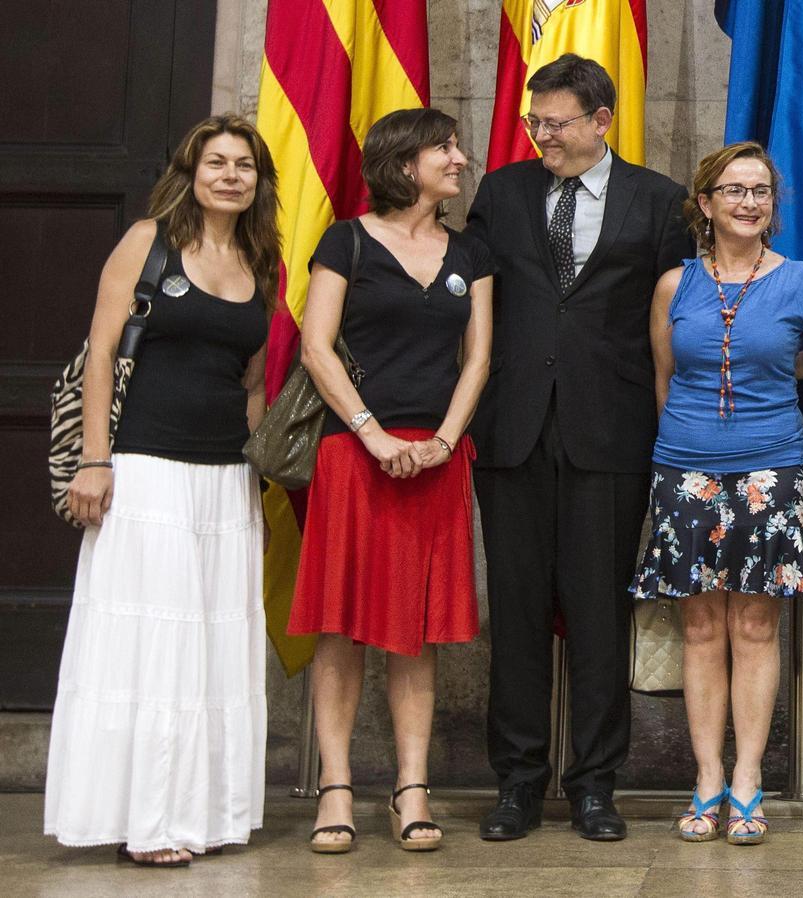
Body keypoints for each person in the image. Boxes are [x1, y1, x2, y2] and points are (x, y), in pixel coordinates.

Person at [466, 53, 692, 842]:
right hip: (513, 432)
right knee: (519, 616)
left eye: (556, 123)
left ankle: (595, 785)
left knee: (601, 617)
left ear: (601, 121)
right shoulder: (501, 193)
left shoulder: (661, 201)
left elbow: (676, 322)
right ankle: (517, 784)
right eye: (534, 122)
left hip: (612, 435)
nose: (542, 136)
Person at [43, 115, 280, 866]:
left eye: (244, 164)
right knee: (150, 643)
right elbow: (103, 352)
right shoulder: (148, 241)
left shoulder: (259, 259)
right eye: (217, 162)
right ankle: (144, 820)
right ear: (191, 170)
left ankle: (201, 813)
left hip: (225, 479)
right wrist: (95, 461)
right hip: (144, 470)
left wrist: (257, 469)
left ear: (258, 181)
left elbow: (250, 382)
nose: (231, 175)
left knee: (209, 645)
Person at [286, 108, 493, 853]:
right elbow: (316, 348)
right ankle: (337, 788)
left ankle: (412, 789)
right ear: (405, 162)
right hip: (354, 453)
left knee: (416, 634)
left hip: (436, 460)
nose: (461, 159)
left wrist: (444, 439)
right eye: (446, 148)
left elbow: (477, 360)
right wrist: (372, 434)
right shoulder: (344, 240)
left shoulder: (471, 251)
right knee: (341, 628)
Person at [629, 141, 803, 846]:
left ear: (773, 206)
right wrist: (679, 455)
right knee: (698, 629)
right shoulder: (673, 285)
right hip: (684, 470)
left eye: (761, 191)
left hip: (773, 469)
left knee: (753, 628)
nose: (749, 202)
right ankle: (707, 777)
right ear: (706, 203)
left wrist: (782, 368)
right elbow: (665, 377)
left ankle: (748, 778)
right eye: (734, 190)